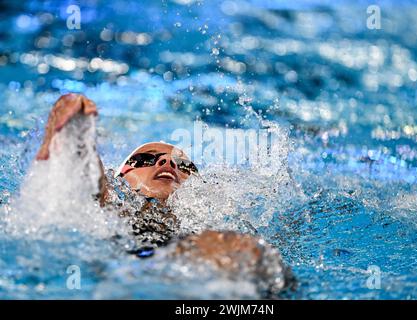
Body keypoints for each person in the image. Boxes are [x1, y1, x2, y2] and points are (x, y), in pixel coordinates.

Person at [35, 93, 292, 296]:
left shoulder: (213, 229)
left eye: (183, 165)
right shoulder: (115, 209)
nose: (167, 165)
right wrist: (75, 129)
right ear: (121, 176)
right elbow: (91, 179)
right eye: (147, 159)